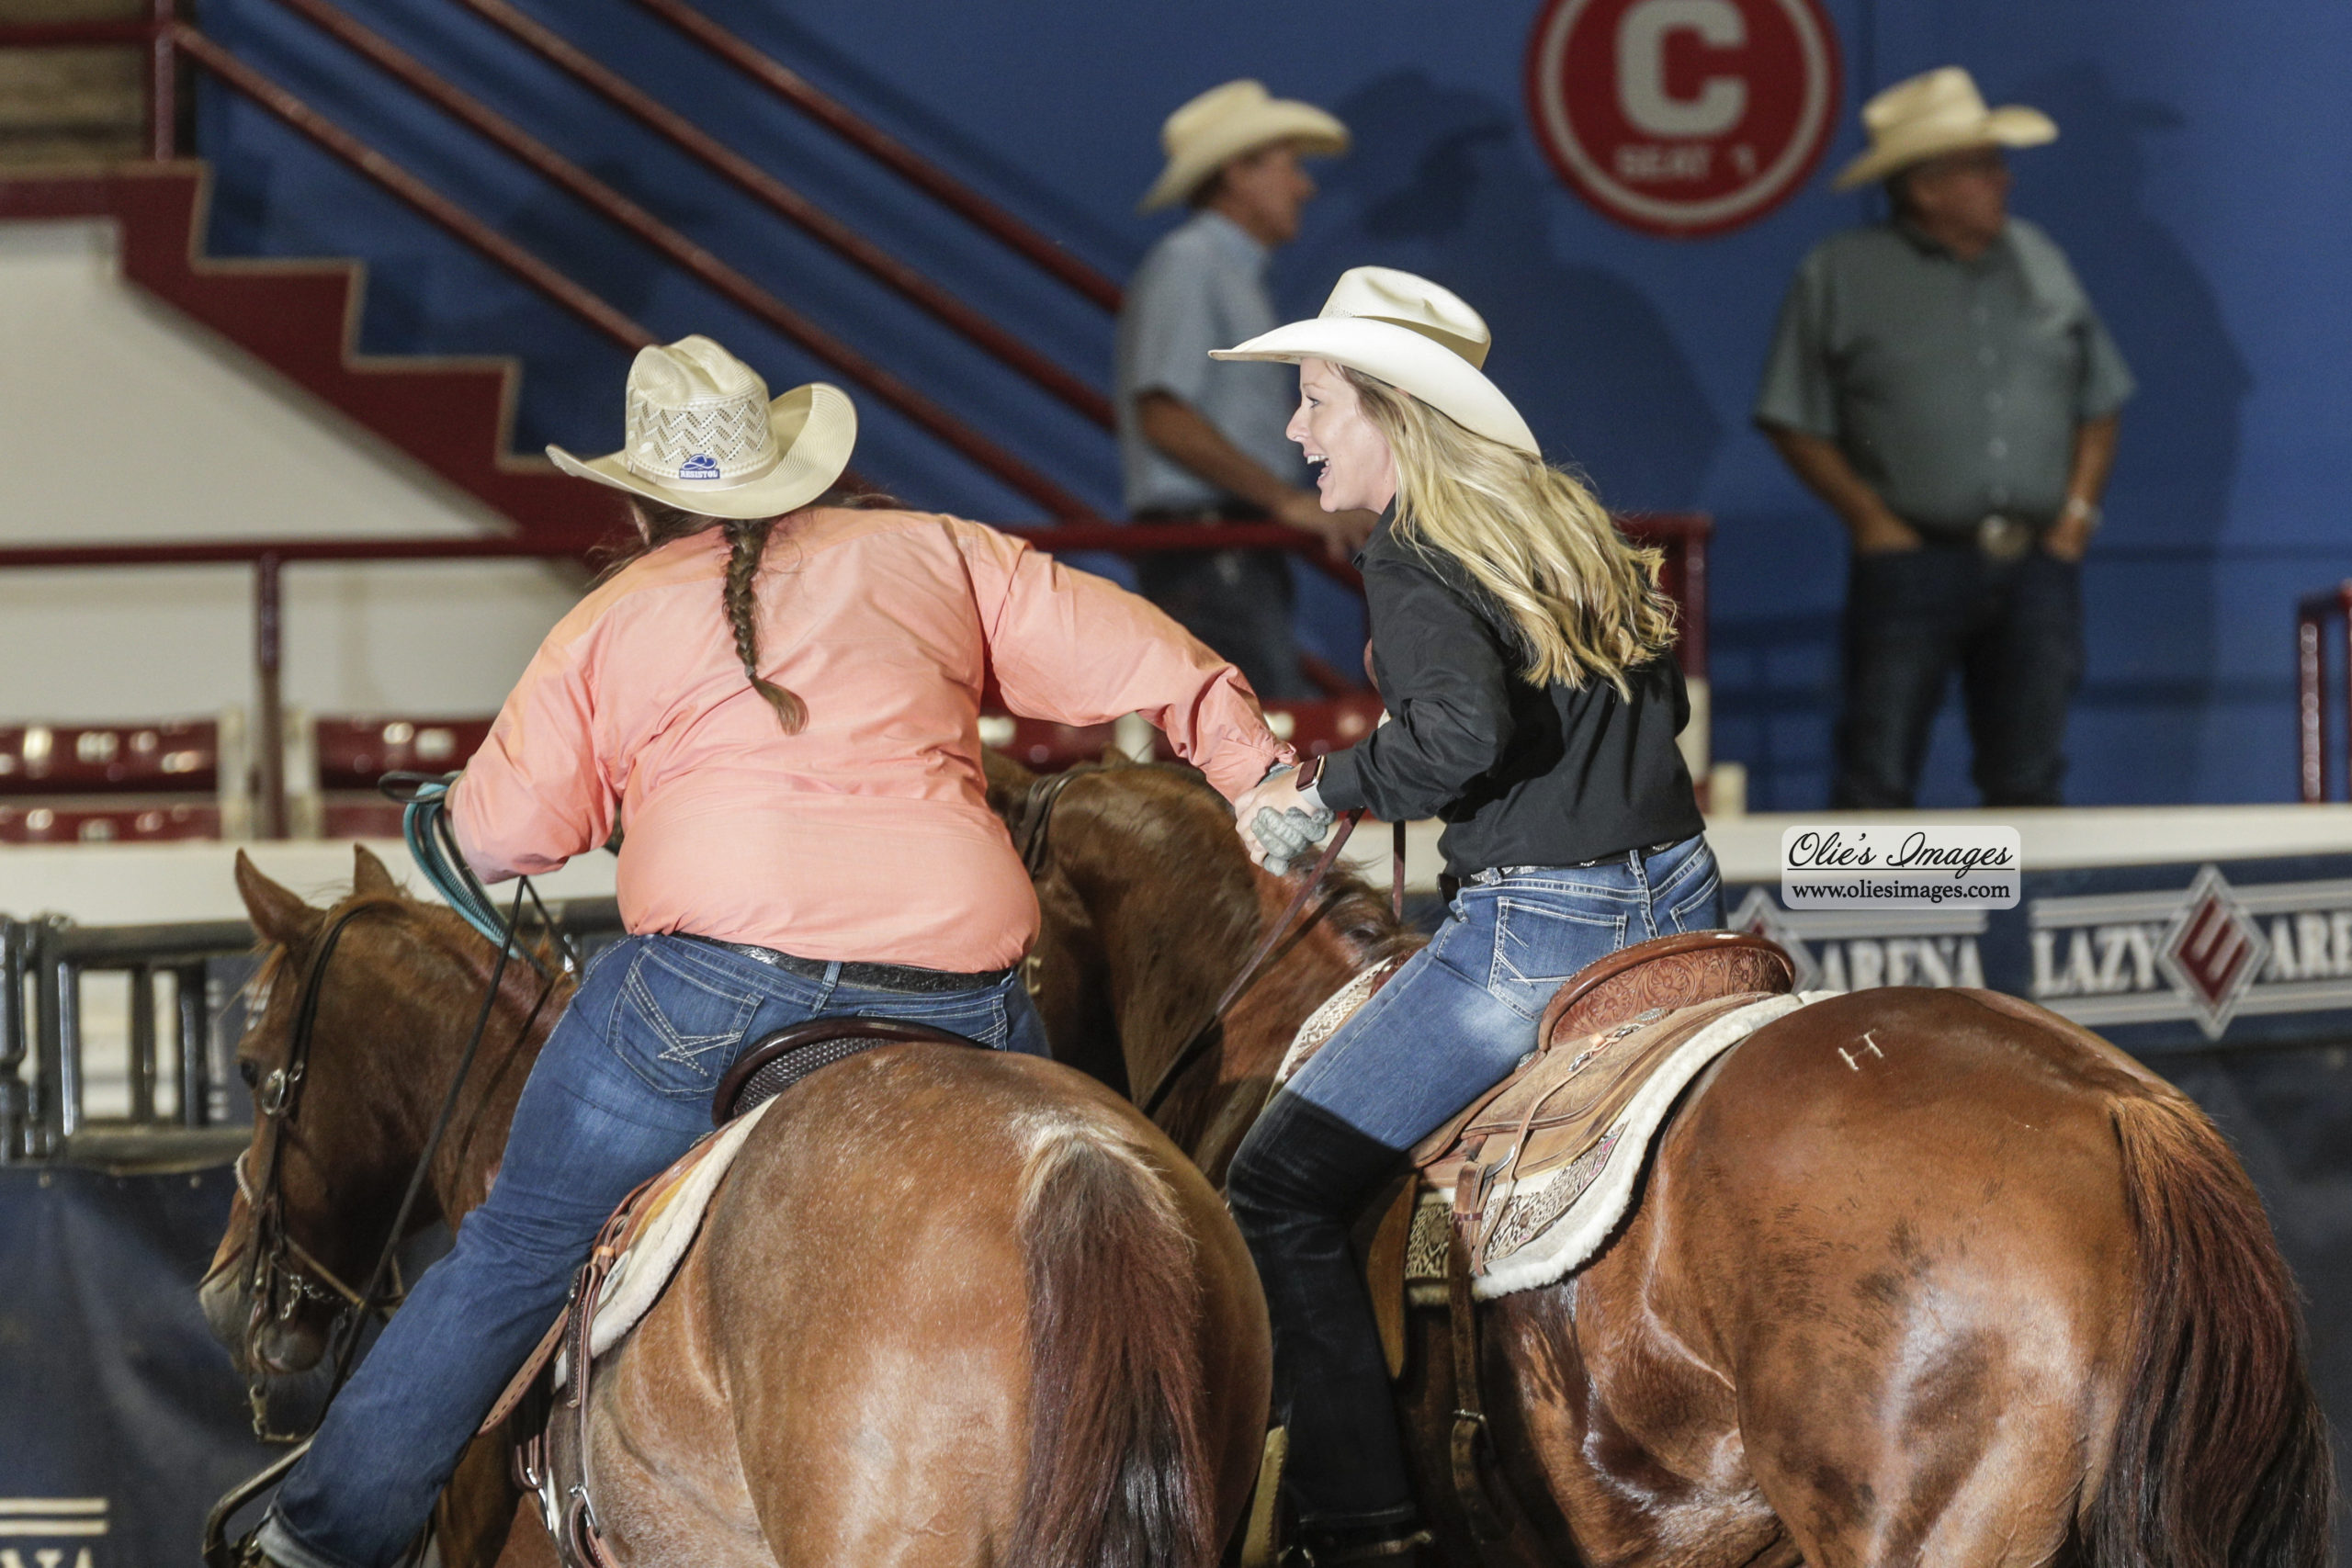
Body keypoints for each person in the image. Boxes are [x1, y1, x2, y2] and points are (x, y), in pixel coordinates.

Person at [245, 335, 1297, 1568]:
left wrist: (512, 806)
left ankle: (317, 1539)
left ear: (637, 496)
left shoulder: (609, 617)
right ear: (791, 469)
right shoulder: (938, 552)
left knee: (516, 1250)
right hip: (962, 999)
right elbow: (1151, 658)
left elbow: (498, 838)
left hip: (709, 994)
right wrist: (1256, 768)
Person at [1215, 268, 1719, 1561]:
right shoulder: (1565, 524)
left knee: (1273, 1190)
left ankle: (1366, 1523)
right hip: (1683, 908)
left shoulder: (1414, 548)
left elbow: (1455, 734)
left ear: (1393, 410)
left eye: (1317, 398)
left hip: (1535, 936)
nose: (1296, 431)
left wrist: (1322, 789)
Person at [1755, 66, 2134, 808]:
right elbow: (1790, 414)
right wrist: (1871, 520)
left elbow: (2102, 397)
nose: (2005, 182)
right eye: (1984, 167)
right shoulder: (1842, 272)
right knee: (1877, 771)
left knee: (2029, 777)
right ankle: (1873, 926)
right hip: (1911, 564)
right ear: (1925, 187)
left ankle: (2017, 924)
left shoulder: (2042, 258)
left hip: (2035, 564)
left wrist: (2077, 517)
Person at [1116, 78, 1376, 699]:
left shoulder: (1215, 269)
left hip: (1221, 548)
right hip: (1213, 550)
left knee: (1252, 735)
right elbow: (1164, 416)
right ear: (1239, 172)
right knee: (1258, 741)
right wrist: (1287, 503)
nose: (1305, 186)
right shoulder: (1194, 264)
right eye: (1291, 166)